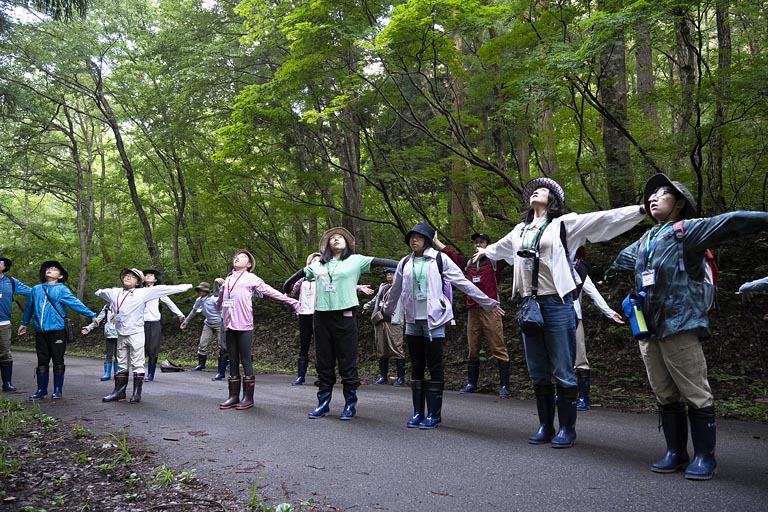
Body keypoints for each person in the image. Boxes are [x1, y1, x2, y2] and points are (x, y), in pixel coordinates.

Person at [605, 173, 768, 480]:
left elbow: (731, 222)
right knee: (664, 393)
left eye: (662, 194)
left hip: (680, 324)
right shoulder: (644, 241)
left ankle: (705, 457)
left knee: (695, 391)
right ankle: (675, 452)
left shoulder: (688, 232)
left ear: (679, 204)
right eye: (650, 195)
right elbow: (618, 261)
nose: (653, 198)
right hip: (648, 328)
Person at [472, 178, 645, 448]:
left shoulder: (564, 225)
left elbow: (602, 220)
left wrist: (639, 211)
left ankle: (567, 428)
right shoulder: (520, 230)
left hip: (557, 303)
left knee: (563, 367)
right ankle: (545, 425)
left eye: (544, 190)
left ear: (554, 200)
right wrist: (484, 252)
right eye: (533, 190)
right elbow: (500, 248)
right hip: (529, 305)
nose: (536, 192)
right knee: (538, 368)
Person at [382, 223, 505, 430]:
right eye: (411, 237)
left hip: (434, 321)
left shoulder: (439, 259)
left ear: (427, 240)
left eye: (419, 237)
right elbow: (395, 290)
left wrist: (488, 302)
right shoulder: (405, 262)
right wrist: (386, 311)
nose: (414, 240)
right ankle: (418, 412)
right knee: (417, 366)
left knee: (435, 365)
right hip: (413, 321)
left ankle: (434, 414)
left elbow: (463, 283)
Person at [283, 227, 398, 421]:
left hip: (345, 316)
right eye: (332, 238)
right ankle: (323, 402)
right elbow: (299, 276)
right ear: (327, 245)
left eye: (340, 238)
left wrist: (407, 264)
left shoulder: (355, 260)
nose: (336, 240)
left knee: (347, 359)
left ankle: (349, 403)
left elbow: (382, 262)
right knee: (324, 360)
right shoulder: (319, 264)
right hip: (321, 316)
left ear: (347, 243)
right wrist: (287, 286)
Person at [217, 249, 301, 411]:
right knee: (232, 359)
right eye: (235, 257)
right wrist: (218, 306)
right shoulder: (228, 279)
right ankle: (233, 396)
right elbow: (221, 297)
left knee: (246, 359)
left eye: (241, 257)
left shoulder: (251, 278)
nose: (237, 258)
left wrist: (291, 301)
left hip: (245, 325)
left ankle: (248, 398)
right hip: (228, 325)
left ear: (249, 264)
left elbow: (269, 291)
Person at [95, 268, 192, 404]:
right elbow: (100, 292)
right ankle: (119, 392)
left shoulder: (143, 293)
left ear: (138, 282)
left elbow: (164, 290)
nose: (128, 277)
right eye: (126, 275)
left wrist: (186, 287)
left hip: (137, 332)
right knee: (122, 362)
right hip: (121, 333)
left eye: (132, 277)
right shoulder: (115, 292)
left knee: (138, 362)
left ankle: (136, 393)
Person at [433, 233, 511, 397]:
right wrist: (436, 241)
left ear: (488, 244)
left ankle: (504, 386)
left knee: (498, 346)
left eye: (482, 242)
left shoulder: (495, 261)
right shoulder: (469, 263)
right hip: (473, 310)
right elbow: (451, 254)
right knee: (473, 347)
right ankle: (471, 383)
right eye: (476, 242)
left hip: (491, 309)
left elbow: (513, 253)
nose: (478, 245)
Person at [19, 261, 98, 400]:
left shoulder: (61, 289)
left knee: (58, 360)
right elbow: (29, 307)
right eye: (48, 268)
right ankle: (41, 390)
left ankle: (57, 390)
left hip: (57, 330)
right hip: (40, 332)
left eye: (54, 269)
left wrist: (91, 315)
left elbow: (75, 303)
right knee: (42, 361)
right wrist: (24, 323)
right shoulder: (36, 289)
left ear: (60, 276)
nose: (50, 270)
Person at [573, 272, 625, 410]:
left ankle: (584, 397)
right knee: (560, 358)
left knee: (580, 357)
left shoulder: (577, 267)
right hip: (553, 317)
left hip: (573, 317)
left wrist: (609, 312)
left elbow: (592, 291)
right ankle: (564, 393)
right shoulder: (550, 262)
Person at [363, 267, 406, 386]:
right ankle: (383, 376)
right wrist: (367, 306)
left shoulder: (401, 287)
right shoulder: (383, 287)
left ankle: (401, 377)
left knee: (397, 348)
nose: (389, 277)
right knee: (381, 349)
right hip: (380, 320)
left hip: (394, 321)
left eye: (392, 274)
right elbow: (376, 299)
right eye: (387, 274)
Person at [142, 269, 186, 382]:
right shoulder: (139, 291)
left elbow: (169, 303)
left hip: (154, 322)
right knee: (140, 348)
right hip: (140, 323)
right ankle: (139, 372)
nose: (148, 276)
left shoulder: (158, 291)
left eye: (151, 275)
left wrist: (180, 315)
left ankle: (150, 374)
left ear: (155, 280)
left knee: (153, 349)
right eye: (146, 275)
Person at [288, 252, 322, 386]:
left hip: (319, 315)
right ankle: (300, 376)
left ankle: (322, 376)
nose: (316, 261)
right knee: (304, 346)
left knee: (320, 347)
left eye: (319, 260)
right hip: (304, 315)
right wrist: (295, 305)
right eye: (314, 259)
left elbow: (340, 286)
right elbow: (289, 291)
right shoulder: (302, 280)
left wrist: (359, 287)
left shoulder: (324, 278)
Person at [0, 256, 32, 392]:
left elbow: (32, 292)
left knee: (5, 353)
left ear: (5, 266)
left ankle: (7, 383)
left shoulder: (11, 282)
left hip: (3, 324)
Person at [181, 281, 222, 372]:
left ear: (206, 291)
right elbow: (194, 311)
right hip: (208, 323)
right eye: (199, 290)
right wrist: (186, 321)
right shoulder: (199, 300)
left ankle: (225, 364)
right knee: (202, 344)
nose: (199, 291)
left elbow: (224, 309)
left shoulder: (213, 299)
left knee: (222, 345)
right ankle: (201, 364)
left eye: (201, 290)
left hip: (220, 323)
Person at [82, 304, 119, 381]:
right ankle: (107, 373)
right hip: (109, 333)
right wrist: (89, 328)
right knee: (109, 354)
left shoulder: (122, 304)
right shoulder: (106, 307)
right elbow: (98, 319)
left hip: (120, 332)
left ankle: (117, 373)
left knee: (118, 354)